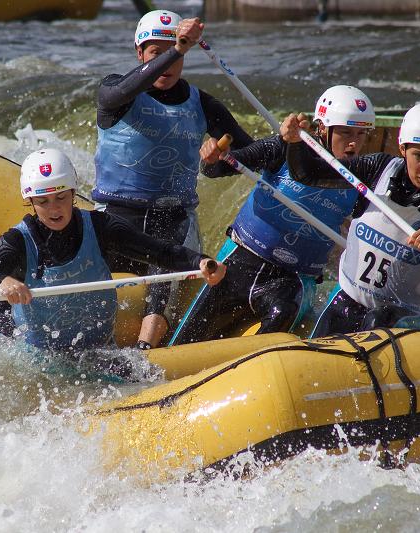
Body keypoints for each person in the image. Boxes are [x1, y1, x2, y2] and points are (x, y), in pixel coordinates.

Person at [0, 148, 226, 358]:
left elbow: (157, 251)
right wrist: (1, 281)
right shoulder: (16, 241)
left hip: (99, 352)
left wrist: (199, 261)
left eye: (61, 197)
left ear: (74, 192)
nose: (54, 209)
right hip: (42, 361)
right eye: (43, 201)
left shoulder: (99, 226)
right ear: (30, 201)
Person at [92, 9, 252, 349]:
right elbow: (119, 93)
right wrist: (176, 50)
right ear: (140, 54)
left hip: (173, 217)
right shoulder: (114, 91)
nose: (166, 65)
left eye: (174, 54)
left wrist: (217, 162)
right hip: (115, 215)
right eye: (157, 53)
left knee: (164, 274)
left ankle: (144, 354)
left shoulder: (203, 104)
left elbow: (251, 156)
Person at [171, 86, 375, 344]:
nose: (354, 143)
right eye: (346, 132)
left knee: (283, 311)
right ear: (322, 128)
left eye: (361, 134)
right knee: (184, 341)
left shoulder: (362, 179)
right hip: (239, 263)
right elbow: (222, 167)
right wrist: (210, 158)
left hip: (293, 281)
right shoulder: (284, 147)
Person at [283, 102, 420, 336]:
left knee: (378, 319)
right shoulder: (377, 169)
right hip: (348, 299)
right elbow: (308, 173)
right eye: (419, 156)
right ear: (403, 148)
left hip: (407, 317)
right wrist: (295, 144)